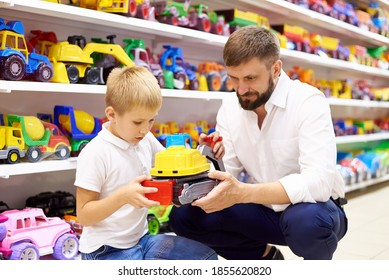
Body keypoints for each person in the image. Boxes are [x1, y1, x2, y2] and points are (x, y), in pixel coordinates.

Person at [169, 26, 348, 260]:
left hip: (315, 212)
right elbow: (227, 175)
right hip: (262, 209)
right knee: (184, 217)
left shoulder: (308, 101)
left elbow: (319, 183)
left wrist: (244, 193)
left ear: (275, 69)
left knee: (307, 222)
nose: (241, 89)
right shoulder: (231, 106)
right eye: (234, 78)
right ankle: (265, 259)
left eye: (250, 78)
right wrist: (210, 161)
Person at [75, 65, 220, 260]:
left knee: (206, 257)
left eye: (151, 120)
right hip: (104, 250)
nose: (144, 130)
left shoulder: (145, 139)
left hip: (142, 240)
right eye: (137, 122)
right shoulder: (96, 153)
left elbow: (173, 170)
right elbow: (83, 215)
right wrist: (123, 197)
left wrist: (201, 153)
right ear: (111, 114)